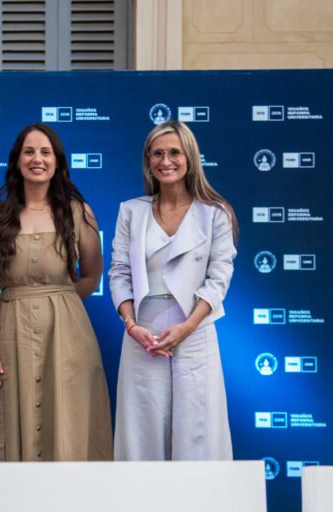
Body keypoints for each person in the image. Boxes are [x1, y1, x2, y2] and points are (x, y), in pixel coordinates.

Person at [0, 123, 113, 462]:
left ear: (57, 161)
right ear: (17, 160)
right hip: (11, 333)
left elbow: (91, 276)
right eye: (29, 152)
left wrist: (58, 303)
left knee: (68, 423)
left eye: (45, 152)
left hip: (67, 336)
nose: (37, 159)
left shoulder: (79, 213)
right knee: (11, 418)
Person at [109, 120, 238, 461]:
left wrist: (187, 327)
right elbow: (119, 272)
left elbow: (219, 277)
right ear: (148, 160)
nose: (166, 161)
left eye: (174, 153)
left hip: (195, 330)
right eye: (157, 154)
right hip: (143, 334)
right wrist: (131, 325)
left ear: (190, 158)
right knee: (141, 434)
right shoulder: (130, 211)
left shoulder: (215, 214)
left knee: (197, 432)